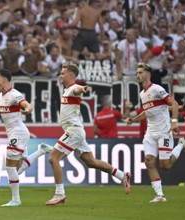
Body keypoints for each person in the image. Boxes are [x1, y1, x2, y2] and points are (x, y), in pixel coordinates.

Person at [45, 63, 131, 206]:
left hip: (74, 131)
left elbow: (79, 89)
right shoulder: (67, 90)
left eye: (62, 73)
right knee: (92, 162)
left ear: (71, 75)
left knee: (53, 158)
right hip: (76, 132)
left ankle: (60, 194)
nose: (60, 75)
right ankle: (122, 176)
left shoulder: (73, 88)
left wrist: (83, 89)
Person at [126, 62, 185, 203]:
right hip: (150, 132)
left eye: (140, 72)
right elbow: (147, 111)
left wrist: (174, 122)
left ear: (147, 75)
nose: (137, 75)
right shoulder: (142, 93)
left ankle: (180, 144)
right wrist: (134, 119)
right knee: (149, 161)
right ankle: (160, 195)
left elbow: (174, 104)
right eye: (137, 73)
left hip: (164, 131)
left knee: (165, 165)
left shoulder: (157, 89)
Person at [0, 69, 52, 206]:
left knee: (10, 168)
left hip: (18, 133)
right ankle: (41, 151)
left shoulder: (15, 94)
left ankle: (16, 200)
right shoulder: (1, 95)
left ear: (4, 80)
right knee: (16, 169)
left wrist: (28, 109)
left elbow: (26, 104)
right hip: (15, 133)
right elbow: (0, 105)